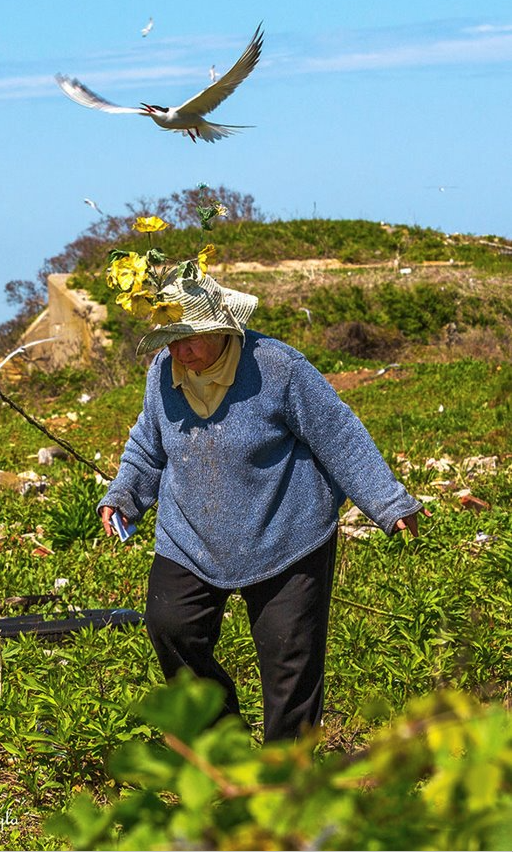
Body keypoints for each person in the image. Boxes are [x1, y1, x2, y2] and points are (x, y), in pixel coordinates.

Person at [98, 270, 424, 742]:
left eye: (190, 339)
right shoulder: (161, 376)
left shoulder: (278, 367)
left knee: (289, 662)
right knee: (171, 627)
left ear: (223, 328)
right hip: (190, 538)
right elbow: (148, 446)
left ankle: (282, 784)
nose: (180, 351)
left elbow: (340, 437)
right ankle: (228, 747)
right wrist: (124, 497)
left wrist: (390, 503)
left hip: (286, 535)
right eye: (172, 340)